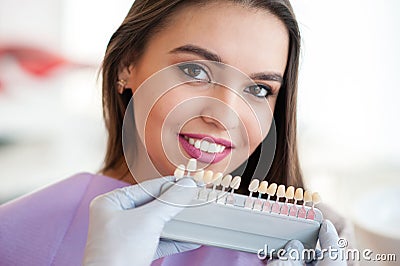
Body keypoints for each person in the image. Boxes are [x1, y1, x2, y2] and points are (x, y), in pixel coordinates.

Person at [0, 0, 355, 265]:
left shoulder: (308, 244)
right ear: (127, 66)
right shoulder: (13, 236)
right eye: (194, 70)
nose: (224, 116)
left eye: (259, 89)